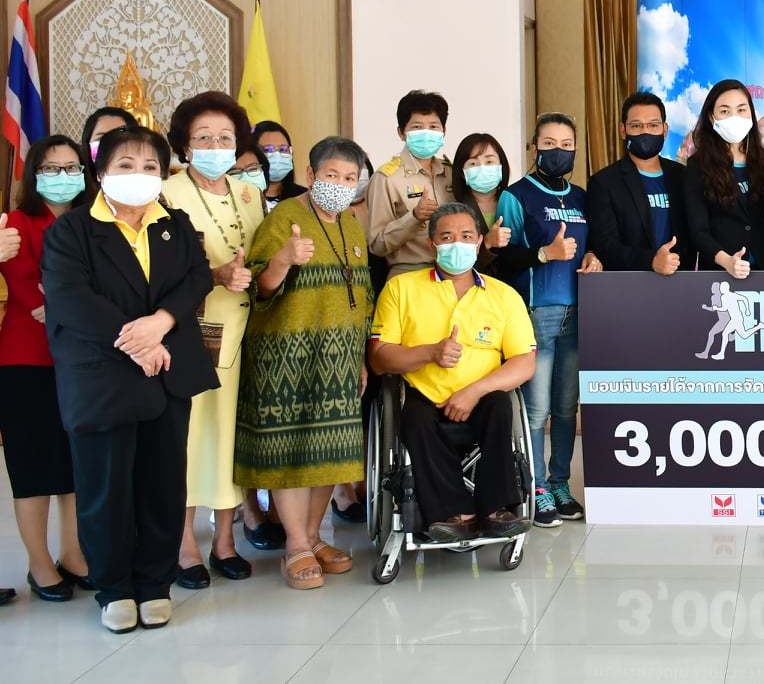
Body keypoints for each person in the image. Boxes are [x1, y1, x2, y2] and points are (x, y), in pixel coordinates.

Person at [42, 126, 218, 633]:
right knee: (105, 487)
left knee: (163, 484)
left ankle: (155, 583)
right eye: (125, 165)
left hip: (167, 373)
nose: (138, 175)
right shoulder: (73, 231)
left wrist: (161, 323)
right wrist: (138, 341)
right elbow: (71, 300)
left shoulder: (174, 224)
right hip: (102, 375)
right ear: (100, 172)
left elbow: (197, 278)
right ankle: (114, 588)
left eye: (149, 167)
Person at [234, 137, 375, 590]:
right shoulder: (284, 219)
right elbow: (259, 289)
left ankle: (313, 537)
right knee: (290, 451)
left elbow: (362, 295)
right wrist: (283, 260)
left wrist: (360, 357)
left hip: (339, 357)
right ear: (312, 175)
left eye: (349, 178)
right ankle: (295, 544)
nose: (340, 185)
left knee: (329, 453)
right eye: (331, 175)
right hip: (286, 357)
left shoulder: (351, 224)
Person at [370, 203, 537, 540]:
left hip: (483, 393)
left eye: (466, 236)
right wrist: (431, 352)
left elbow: (524, 361)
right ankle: (454, 512)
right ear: (432, 244)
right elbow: (379, 358)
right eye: (447, 237)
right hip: (423, 393)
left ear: (479, 242)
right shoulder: (402, 288)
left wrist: (473, 391)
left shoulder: (504, 295)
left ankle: (496, 509)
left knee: (501, 407)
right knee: (414, 418)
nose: (457, 244)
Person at [162, 92, 265, 589]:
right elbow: (159, 268)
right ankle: (184, 545)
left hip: (247, 331)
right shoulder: (166, 192)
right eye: (203, 138)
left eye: (225, 137)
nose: (215, 146)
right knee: (191, 436)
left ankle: (225, 540)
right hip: (191, 331)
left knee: (230, 436)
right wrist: (216, 274)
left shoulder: (249, 193)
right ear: (184, 144)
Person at [496, 113, 601, 527]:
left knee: (566, 408)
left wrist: (594, 257)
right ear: (534, 147)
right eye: (550, 143)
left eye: (567, 144)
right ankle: (536, 487)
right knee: (536, 409)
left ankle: (560, 483)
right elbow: (503, 260)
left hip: (579, 312)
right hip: (536, 312)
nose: (559, 151)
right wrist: (544, 254)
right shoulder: (516, 196)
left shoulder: (582, 197)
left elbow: (593, 244)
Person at [0, 136, 92, 602]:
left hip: (81, 360)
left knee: (76, 465)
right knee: (34, 467)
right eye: (51, 168)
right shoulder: (17, 224)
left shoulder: (91, 221)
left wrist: (67, 302)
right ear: (34, 174)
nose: (63, 177)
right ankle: (39, 564)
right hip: (27, 361)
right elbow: (31, 294)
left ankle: (74, 554)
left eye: (72, 167)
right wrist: (69, 302)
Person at [588, 91, 693, 273]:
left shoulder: (683, 177)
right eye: (636, 126)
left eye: (653, 125)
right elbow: (604, 245)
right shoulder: (604, 183)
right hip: (629, 285)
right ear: (623, 130)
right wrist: (651, 261)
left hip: (683, 281)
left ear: (665, 130)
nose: (645, 131)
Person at [684, 79, 764, 276]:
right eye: (725, 111)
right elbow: (698, 230)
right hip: (718, 273)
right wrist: (726, 261)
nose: (734, 117)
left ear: (751, 114)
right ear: (712, 117)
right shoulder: (697, 166)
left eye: (742, 109)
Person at [367, 90, 454, 279]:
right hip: (409, 274)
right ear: (401, 133)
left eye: (433, 126)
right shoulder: (387, 178)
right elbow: (377, 245)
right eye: (417, 127)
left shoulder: (451, 173)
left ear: (444, 131)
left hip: (453, 274)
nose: (426, 133)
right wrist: (414, 218)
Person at [450, 132, 514, 265]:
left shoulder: (515, 201)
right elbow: (455, 264)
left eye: (489, 161)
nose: (482, 168)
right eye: (473, 164)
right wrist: (487, 243)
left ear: (501, 166)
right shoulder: (453, 211)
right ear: (462, 172)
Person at [251, 120, 307, 213]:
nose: (277, 155)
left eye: (283, 149)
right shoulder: (244, 196)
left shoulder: (303, 197)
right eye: (268, 149)